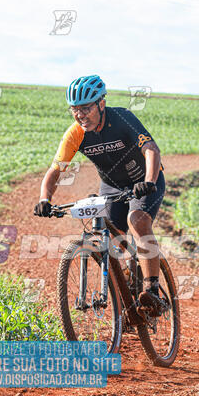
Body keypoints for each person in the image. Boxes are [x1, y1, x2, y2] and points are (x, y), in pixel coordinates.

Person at [33, 75, 165, 316]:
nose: (80, 114)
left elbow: (151, 150)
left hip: (144, 181)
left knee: (137, 220)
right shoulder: (75, 134)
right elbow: (55, 170)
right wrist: (45, 199)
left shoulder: (121, 118)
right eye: (75, 109)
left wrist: (148, 182)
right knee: (112, 240)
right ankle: (126, 287)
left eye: (86, 108)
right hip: (112, 187)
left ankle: (152, 290)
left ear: (101, 104)